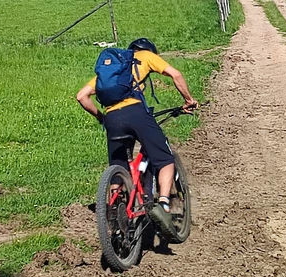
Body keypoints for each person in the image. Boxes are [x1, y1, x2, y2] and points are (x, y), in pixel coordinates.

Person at [76, 38, 198, 234]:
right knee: (165, 158)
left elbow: (82, 96)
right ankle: (164, 205)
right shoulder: (146, 57)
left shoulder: (115, 69)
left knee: (119, 165)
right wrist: (189, 100)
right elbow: (176, 74)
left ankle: (115, 211)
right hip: (136, 113)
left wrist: (102, 118)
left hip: (113, 119)